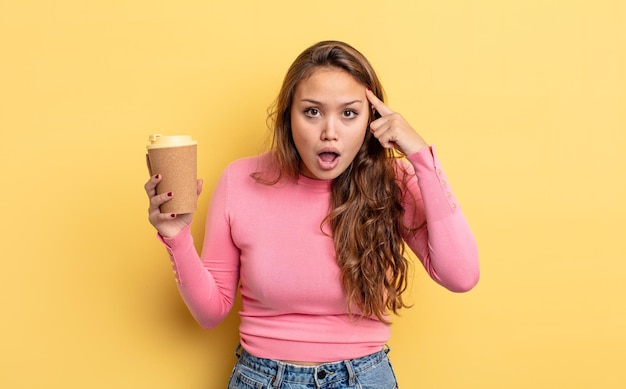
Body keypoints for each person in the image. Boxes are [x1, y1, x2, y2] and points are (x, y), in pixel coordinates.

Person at [144, 40, 479, 389]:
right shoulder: (239, 180)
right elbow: (211, 312)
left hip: (364, 379)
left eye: (349, 113)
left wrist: (421, 158)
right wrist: (176, 236)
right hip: (261, 378)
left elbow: (461, 275)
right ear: (289, 115)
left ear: (373, 121)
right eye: (312, 112)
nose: (329, 132)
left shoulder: (392, 182)